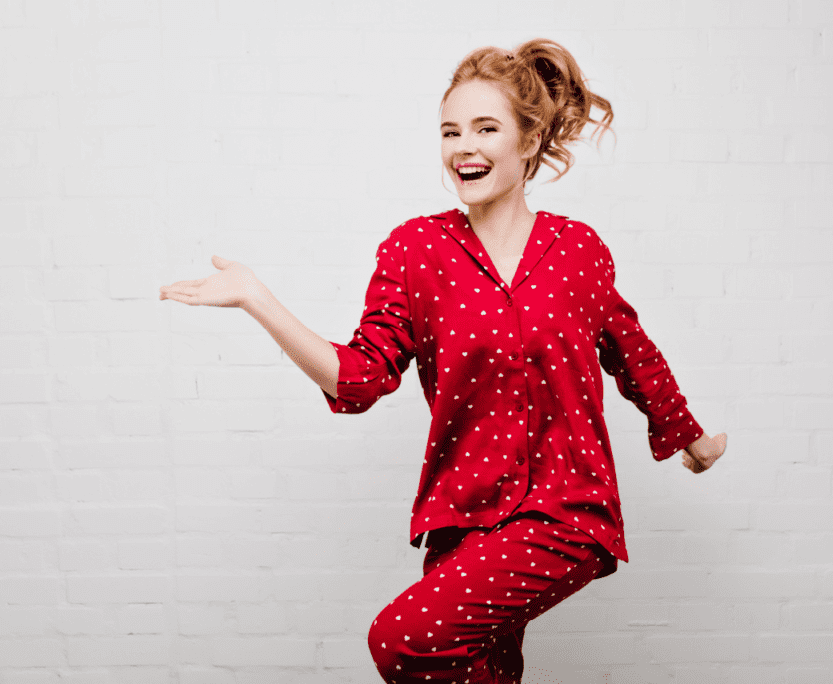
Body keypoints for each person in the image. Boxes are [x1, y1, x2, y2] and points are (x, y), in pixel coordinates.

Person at [160, 38, 727, 684]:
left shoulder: (577, 251)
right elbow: (360, 378)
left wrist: (690, 437)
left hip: (565, 511)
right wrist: (260, 301)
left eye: (487, 128)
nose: (465, 147)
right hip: (461, 525)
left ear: (529, 140)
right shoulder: (414, 252)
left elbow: (632, 349)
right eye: (450, 131)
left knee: (400, 639)